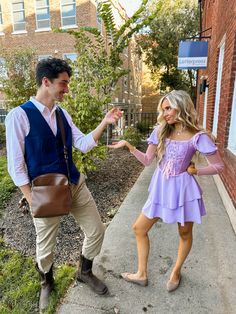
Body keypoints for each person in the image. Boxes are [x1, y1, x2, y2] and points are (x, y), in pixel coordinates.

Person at [5, 57, 122, 311]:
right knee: (45, 248)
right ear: (46, 82)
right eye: (63, 83)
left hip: (75, 184)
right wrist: (31, 196)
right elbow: (15, 167)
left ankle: (84, 270)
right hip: (44, 193)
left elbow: (83, 144)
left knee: (96, 231)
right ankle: (46, 282)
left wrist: (105, 122)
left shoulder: (62, 114)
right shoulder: (19, 116)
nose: (67, 89)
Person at [108, 90, 224, 292]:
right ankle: (141, 274)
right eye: (164, 109)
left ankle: (176, 271)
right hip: (161, 186)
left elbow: (219, 166)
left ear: (182, 106)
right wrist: (129, 146)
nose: (165, 113)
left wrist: (197, 171)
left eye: (169, 108)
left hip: (184, 189)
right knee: (139, 228)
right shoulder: (161, 130)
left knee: (185, 232)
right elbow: (147, 161)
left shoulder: (198, 137)